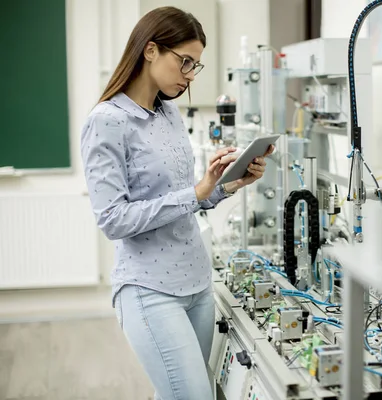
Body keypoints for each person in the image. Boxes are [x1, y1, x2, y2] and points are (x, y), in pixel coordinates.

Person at [80, 7, 274, 399]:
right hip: (150, 289)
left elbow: (188, 199)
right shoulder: (107, 121)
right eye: (184, 62)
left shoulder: (167, 112)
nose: (189, 75)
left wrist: (224, 184)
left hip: (198, 285)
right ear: (150, 50)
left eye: (196, 66)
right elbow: (113, 219)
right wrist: (197, 192)